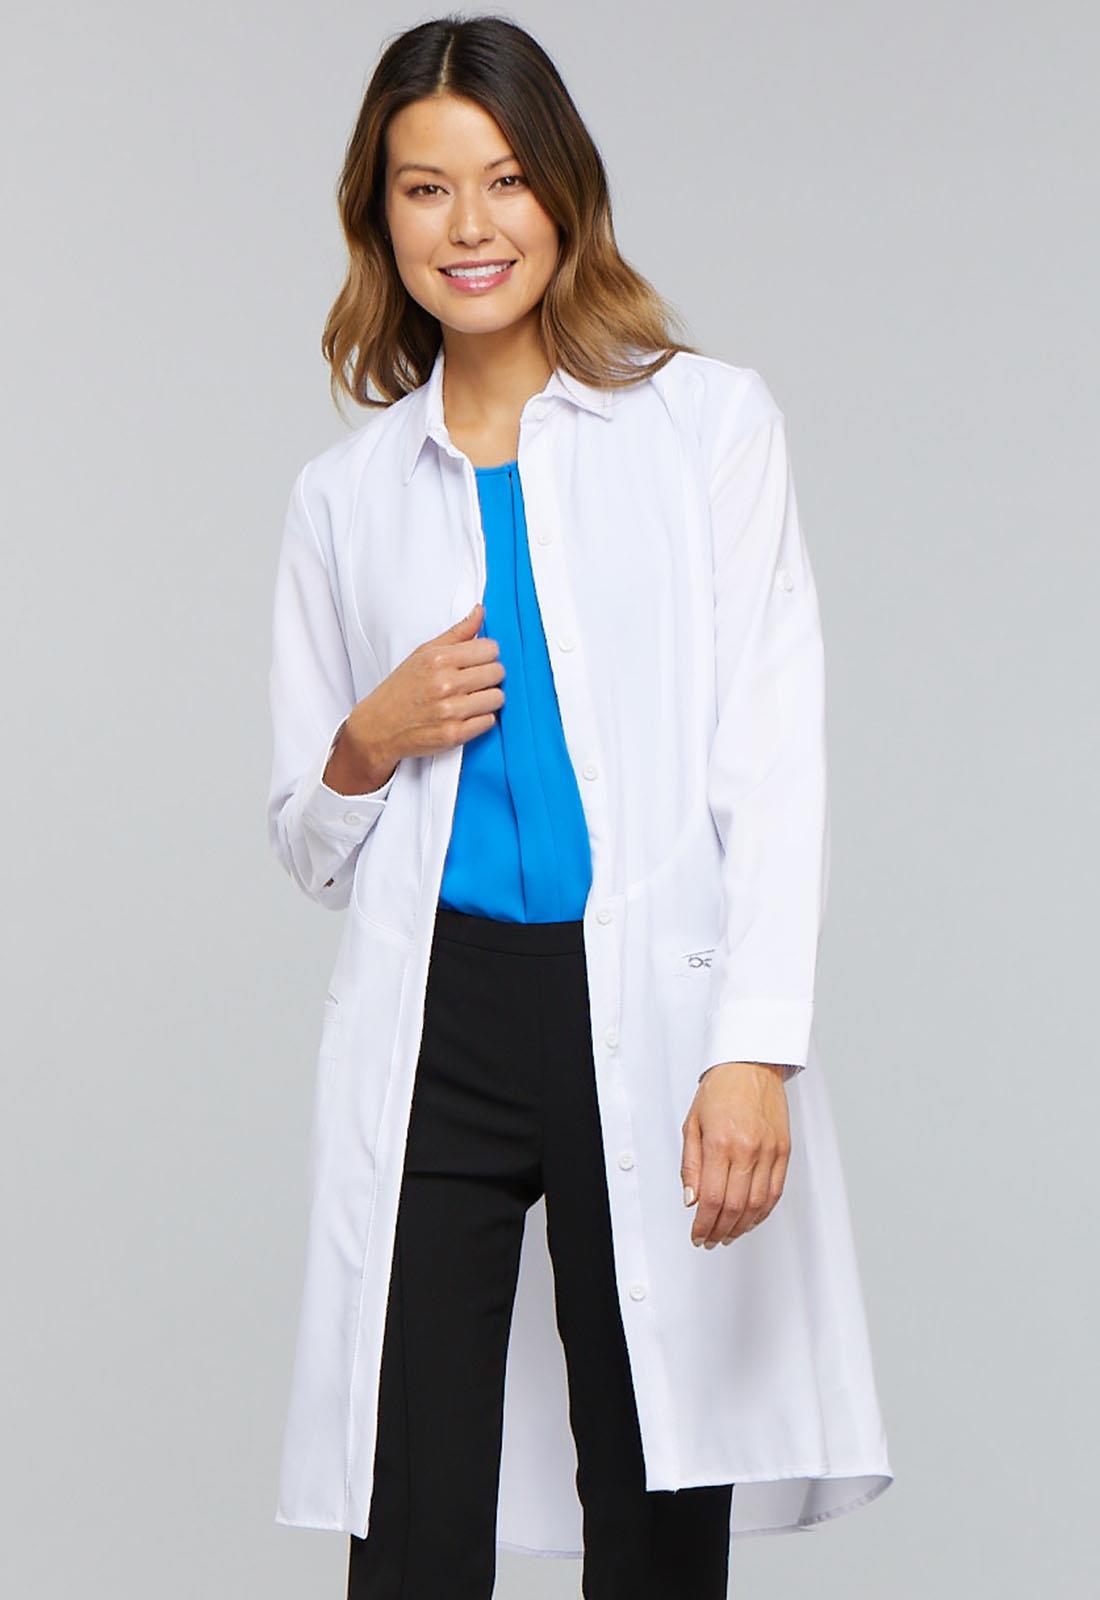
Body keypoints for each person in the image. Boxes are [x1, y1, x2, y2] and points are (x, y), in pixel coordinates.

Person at [265, 14, 894, 1599]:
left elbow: (774, 754)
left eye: (504, 179)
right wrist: (365, 739)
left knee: (653, 1482)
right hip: (439, 1015)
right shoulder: (345, 498)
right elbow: (308, 842)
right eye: (425, 188)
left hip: (651, 1001)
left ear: (565, 192)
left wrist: (754, 1048)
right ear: (379, 218)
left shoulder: (706, 427)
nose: (469, 227)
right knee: (410, 1509)